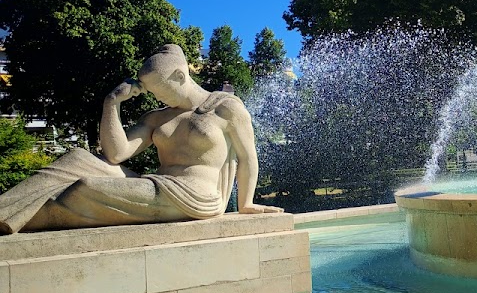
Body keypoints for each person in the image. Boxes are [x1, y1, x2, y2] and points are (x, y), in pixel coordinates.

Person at [0, 44, 281, 233]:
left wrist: (246, 204)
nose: (155, 95)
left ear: (180, 76)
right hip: (157, 185)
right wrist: (111, 103)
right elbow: (115, 155)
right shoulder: (157, 117)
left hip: (196, 195)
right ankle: (3, 212)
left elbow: (247, 158)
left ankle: (15, 223)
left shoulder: (225, 107)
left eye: (159, 88)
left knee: (85, 187)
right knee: (77, 160)